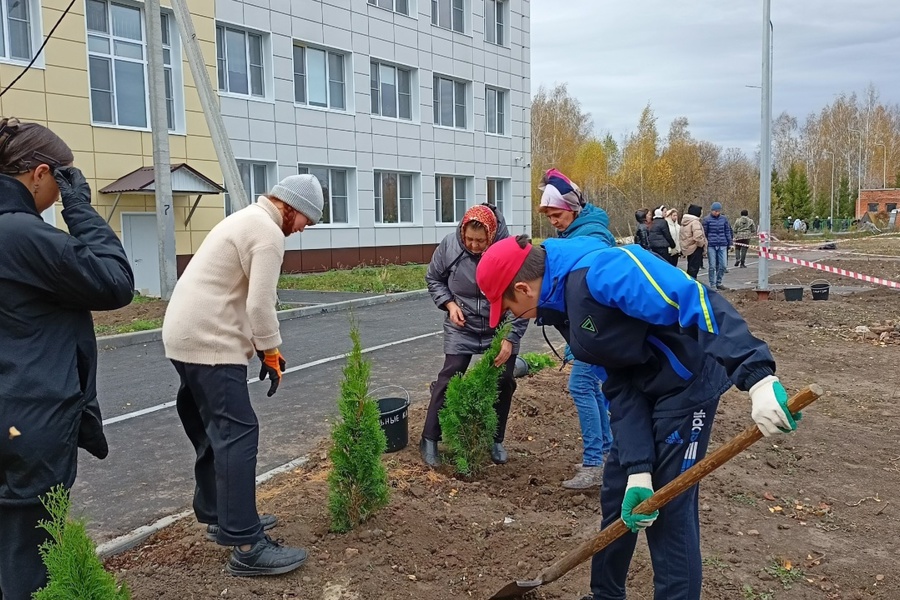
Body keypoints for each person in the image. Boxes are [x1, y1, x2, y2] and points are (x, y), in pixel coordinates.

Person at [474, 234, 801, 600]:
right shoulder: (562, 307)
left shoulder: (601, 272)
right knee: (619, 491)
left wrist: (756, 375)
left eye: (508, 308)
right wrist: (638, 468)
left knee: (668, 510)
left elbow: (691, 299)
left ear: (522, 288)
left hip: (687, 384)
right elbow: (618, 386)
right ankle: (606, 595)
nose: (512, 317)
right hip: (646, 388)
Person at [162, 174, 324, 577]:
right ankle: (248, 545)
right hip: (210, 341)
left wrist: (266, 348)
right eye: (307, 219)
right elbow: (260, 304)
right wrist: (270, 350)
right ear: (289, 207)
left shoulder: (245, 219)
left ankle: (221, 514)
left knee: (215, 430)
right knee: (238, 433)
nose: (304, 229)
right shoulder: (267, 232)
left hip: (182, 337)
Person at [0, 118, 135, 599]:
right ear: (40, 174)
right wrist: (81, 208)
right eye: (60, 183)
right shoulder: (20, 234)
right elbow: (115, 282)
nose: (59, 195)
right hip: (27, 419)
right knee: (29, 558)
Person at [422, 203, 528, 467]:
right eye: (468, 238)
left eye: (480, 241)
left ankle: (495, 439)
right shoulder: (450, 245)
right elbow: (433, 278)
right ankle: (429, 439)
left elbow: (524, 297)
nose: (473, 245)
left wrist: (510, 337)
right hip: (463, 324)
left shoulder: (510, 251)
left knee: (504, 381)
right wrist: (449, 303)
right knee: (450, 375)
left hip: (500, 326)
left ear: (491, 235)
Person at [537, 168, 615, 489]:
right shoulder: (577, 232)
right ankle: (608, 453)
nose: (553, 221)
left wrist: (580, 336)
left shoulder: (591, 236)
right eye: (550, 216)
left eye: (557, 214)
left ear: (571, 208)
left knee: (580, 386)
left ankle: (594, 464)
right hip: (589, 327)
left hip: (598, 325)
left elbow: (585, 287)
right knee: (590, 386)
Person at [703, 202, 733, 290]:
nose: (717, 213)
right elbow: (705, 233)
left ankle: (719, 282)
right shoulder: (706, 220)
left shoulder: (724, 219)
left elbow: (727, 231)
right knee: (712, 265)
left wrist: (730, 243)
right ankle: (713, 283)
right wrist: (705, 245)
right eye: (715, 211)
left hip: (722, 244)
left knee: (723, 265)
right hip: (711, 245)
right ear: (712, 211)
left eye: (718, 211)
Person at [680, 204, 707, 279]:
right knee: (694, 270)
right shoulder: (695, 222)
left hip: (688, 248)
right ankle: (692, 285)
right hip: (695, 248)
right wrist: (702, 244)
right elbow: (698, 236)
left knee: (690, 268)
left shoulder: (685, 222)